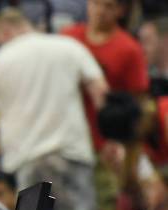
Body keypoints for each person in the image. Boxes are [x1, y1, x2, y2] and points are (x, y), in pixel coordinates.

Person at [0, 7, 108, 210]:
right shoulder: (68, 47)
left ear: (4, 31)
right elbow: (101, 92)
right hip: (72, 154)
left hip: (28, 161)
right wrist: (108, 139)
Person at [62, 0, 149, 151]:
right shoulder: (67, 37)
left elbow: (137, 100)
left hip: (104, 144)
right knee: (47, 176)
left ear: (121, 10)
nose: (100, 11)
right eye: (96, 4)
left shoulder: (130, 49)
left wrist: (122, 141)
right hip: (64, 137)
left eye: (108, 6)